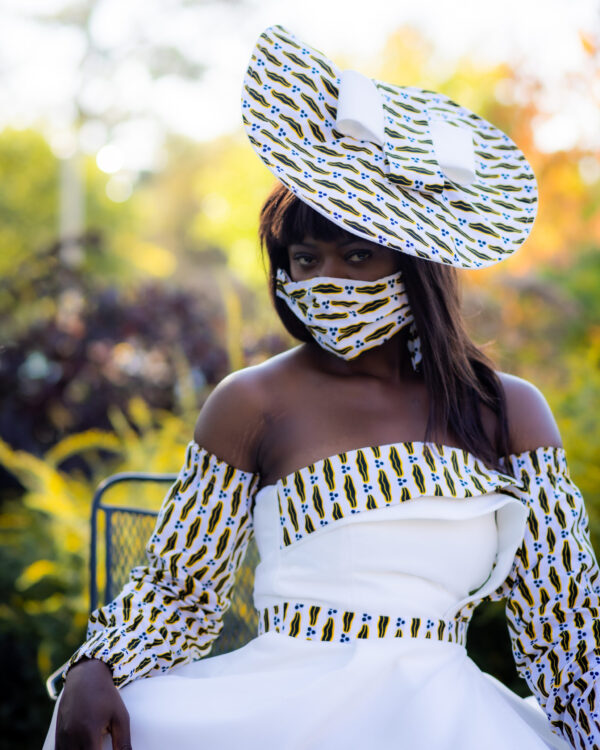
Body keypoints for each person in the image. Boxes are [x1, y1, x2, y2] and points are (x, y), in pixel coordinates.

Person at [44, 25, 599, 750]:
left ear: (416, 266)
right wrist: (95, 667)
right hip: (277, 698)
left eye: (358, 256)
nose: (324, 280)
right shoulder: (251, 403)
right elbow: (179, 590)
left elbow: (564, 626)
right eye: (305, 257)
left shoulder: (507, 411)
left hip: (443, 713)